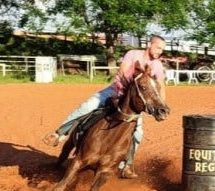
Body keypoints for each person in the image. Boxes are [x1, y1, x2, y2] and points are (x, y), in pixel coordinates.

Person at [43, 34, 168, 178]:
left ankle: (126, 165)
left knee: (138, 133)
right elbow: (122, 71)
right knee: (86, 107)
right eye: (158, 47)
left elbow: (161, 86)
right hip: (115, 91)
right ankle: (59, 134)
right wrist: (125, 90)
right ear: (149, 44)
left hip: (133, 102)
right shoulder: (133, 54)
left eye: (162, 49)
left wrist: (162, 105)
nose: (160, 51)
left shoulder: (157, 65)